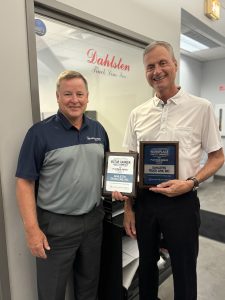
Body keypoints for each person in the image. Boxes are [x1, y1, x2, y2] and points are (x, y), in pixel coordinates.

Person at [112, 41, 224, 300]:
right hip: (145, 202)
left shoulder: (201, 107)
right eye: (150, 66)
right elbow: (131, 160)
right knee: (147, 270)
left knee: (184, 270)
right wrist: (129, 207)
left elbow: (218, 157)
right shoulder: (137, 113)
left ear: (175, 65)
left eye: (163, 63)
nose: (157, 70)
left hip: (182, 201)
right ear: (145, 72)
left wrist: (192, 182)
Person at [16, 70, 109, 300]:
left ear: (88, 97)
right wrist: (32, 230)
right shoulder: (39, 134)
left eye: (80, 94)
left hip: (93, 221)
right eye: (68, 94)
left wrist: (117, 186)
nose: (74, 100)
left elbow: (109, 169)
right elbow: (24, 183)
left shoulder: (98, 130)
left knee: (89, 287)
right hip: (56, 227)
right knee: (52, 292)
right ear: (57, 97)